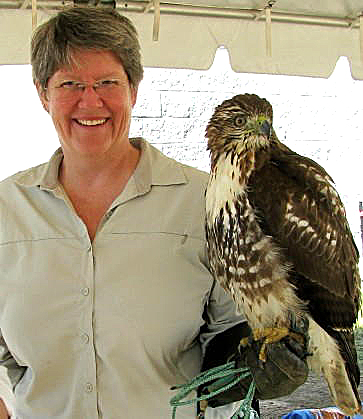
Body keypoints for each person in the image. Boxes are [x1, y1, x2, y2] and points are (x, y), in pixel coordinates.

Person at [0, 6, 309, 418]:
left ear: (134, 89)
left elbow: (231, 334)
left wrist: (256, 364)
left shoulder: (206, 203)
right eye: (69, 83)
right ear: (43, 93)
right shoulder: (6, 209)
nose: (89, 101)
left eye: (107, 82)